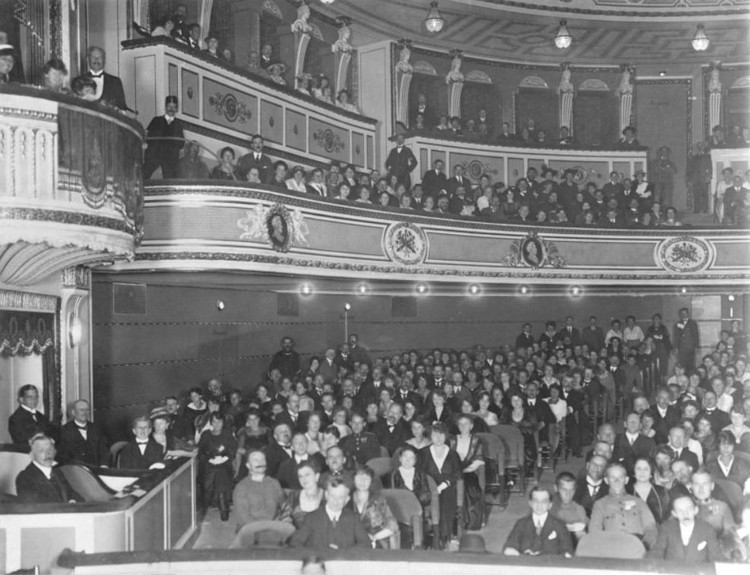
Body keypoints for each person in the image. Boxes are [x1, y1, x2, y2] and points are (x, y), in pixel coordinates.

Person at [290, 476, 371, 551]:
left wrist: (343, 552)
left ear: (347, 499)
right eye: (332, 496)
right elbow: (295, 543)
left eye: (340, 497)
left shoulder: (353, 518)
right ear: (326, 495)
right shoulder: (311, 518)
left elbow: (366, 544)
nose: (335, 501)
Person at [589, 463, 658, 548]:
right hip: (612, 546)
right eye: (613, 477)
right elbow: (594, 530)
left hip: (637, 546)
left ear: (626, 480)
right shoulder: (600, 504)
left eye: (620, 477)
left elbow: (650, 528)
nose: (617, 481)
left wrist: (645, 546)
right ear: (606, 480)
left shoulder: (639, 502)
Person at [419, 423, 461, 549]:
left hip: (446, 486)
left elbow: (458, 474)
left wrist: (443, 485)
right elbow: (419, 473)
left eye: (441, 434)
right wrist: (432, 487)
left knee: (446, 499)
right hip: (428, 486)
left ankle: (445, 536)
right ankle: (433, 536)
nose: (438, 438)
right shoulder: (423, 453)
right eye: (435, 435)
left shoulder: (453, 454)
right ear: (430, 436)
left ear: (446, 436)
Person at [233, 450, 293, 534]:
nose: (260, 462)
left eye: (262, 459)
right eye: (255, 460)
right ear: (248, 465)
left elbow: (285, 508)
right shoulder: (241, 487)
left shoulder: (274, 483)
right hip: (251, 531)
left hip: (274, 528)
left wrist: (286, 524)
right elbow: (243, 518)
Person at [503, 486, 574, 557]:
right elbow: (510, 544)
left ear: (550, 505)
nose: (539, 505)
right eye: (535, 501)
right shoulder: (521, 524)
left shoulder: (559, 525)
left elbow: (567, 550)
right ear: (530, 503)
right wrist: (510, 550)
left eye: (544, 501)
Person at [648, 495, 722, 562]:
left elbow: (716, 556)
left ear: (695, 510)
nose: (685, 514)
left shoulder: (707, 529)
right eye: (680, 511)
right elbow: (657, 551)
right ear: (674, 514)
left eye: (689, 510)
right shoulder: (667, 528)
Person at [15, 434, 82, 503]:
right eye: (41, 450)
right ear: (32, 455)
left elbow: (73, 495)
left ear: (55, 452)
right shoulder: (24, 477)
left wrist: (73, 500)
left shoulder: (58, 473)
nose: (47, 454)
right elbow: (36, 507)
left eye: (50, 449)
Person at [197, 413, 236, 520]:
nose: (217, 424)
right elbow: (200, 452)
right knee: (215, 473)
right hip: (208, 464)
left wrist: (224, 458)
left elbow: (233, 450)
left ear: (223, 422)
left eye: (219, 421)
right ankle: (222, 506)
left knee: (220, 472)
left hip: (225, 464)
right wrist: (210, 459)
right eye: (214, 421)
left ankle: (221, 505)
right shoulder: (206, 435)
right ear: (211, 423)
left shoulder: (228, 434)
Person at [349, 465, 398, 548]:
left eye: (367, 478)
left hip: (377, 544)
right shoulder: (346, 499)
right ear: (353, 479)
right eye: (359, 477)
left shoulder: (378, 499)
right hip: (351, 544)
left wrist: (374, 537)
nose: (363, 481)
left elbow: (393, 526)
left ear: (371, 481)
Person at [451, 413, 486, 530]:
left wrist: (465, 470)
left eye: (466, 424)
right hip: (454, 472)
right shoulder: (452, 440)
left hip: (470, 472)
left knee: (469, 488)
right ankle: (454, 522)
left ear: (471, 426)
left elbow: (479, 459)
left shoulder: (476, 440)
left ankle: (469, 521)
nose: (463, 426)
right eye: (461, 424)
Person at [144, 95, 184, 179]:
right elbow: (148, 137)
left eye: (173, 107)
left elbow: (181, 143)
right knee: (144, 175)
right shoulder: (156, 120)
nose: (171, 109)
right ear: (165, 107)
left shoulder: (178, 124)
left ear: (176, 109)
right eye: (169, 106)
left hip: (170, 158)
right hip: (155, 155)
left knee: (170, 179)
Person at [58, 399, 108, 466]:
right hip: (75, 471)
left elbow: (103, 451)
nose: (84, 413)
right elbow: (62, 456)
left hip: (95, 470)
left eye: (87, 410)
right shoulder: (64, 431)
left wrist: (104, 465)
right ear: (73, 412)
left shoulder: (96, 429)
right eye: (81, 410)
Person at [81, 46, 128, 110]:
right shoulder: (80, 80)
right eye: (93, 57)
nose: (96, 60)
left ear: (104, 60)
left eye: (100, 57)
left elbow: (122, 106)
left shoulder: (115, 81)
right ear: (88, 59)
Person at [629, 457, 671, 524]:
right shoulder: (627, 492)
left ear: (651, 472)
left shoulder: (662, 492)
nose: (642, 472)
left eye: (646, 469)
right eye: (638, 469)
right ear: (634, 471)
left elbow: (668, 517)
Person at [550, 472, 588, 541]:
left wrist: (581, 536)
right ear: (556, 488)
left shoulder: (579, 509)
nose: (568, 494)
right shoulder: (546, 506)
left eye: (572, 490)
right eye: (564, 490)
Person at [289, 460, 325, 529]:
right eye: (300, 476)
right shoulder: (293, 497)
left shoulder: (327, 496)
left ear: (317, 476)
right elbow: (286, 522)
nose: (304, 479)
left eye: (307, 475)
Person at [674, 308, 699, 373]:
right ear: (680, 315)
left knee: (691, 364)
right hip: (682, 348)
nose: (684, 315)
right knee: (682, 364)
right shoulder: (677, 324)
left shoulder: (693, 323)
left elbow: (696, 335)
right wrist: (676, 347)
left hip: (691, 348)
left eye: (685, 313)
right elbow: (676, 336)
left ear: (688, 314)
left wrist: (696, 346)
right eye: (682, 313)